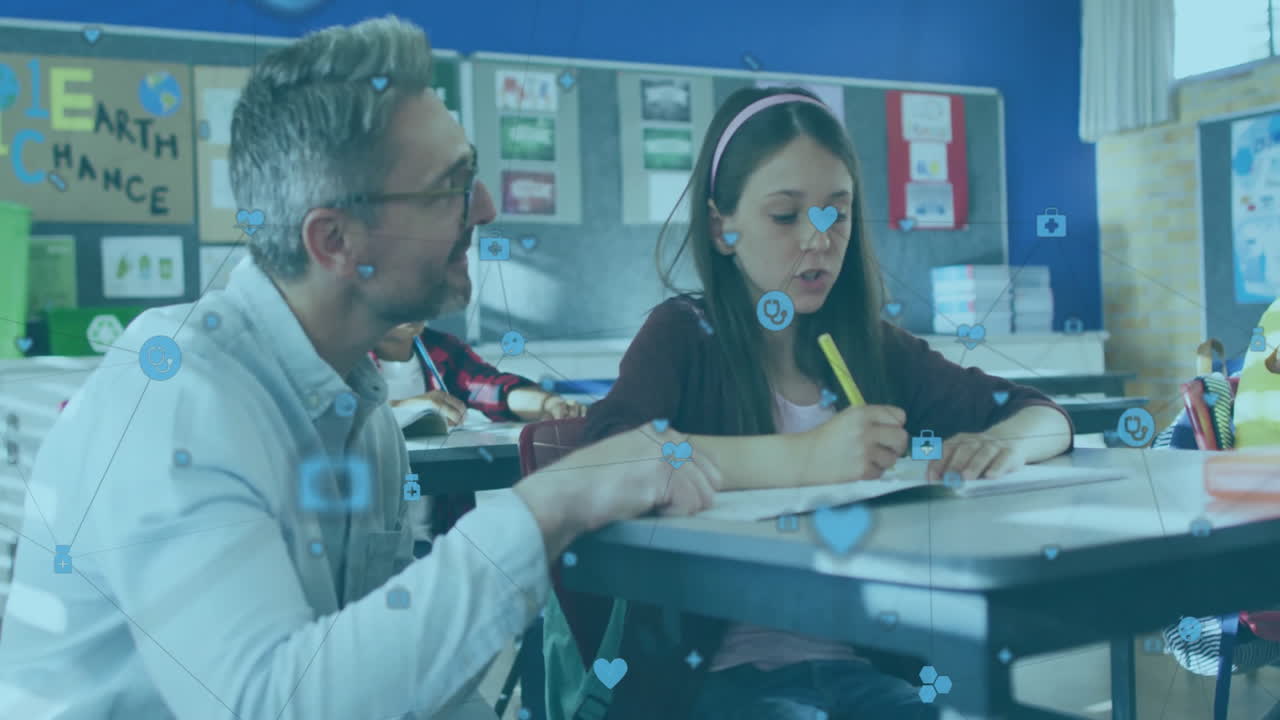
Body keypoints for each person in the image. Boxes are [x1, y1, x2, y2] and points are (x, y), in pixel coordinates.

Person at [0, 16, 719, 720]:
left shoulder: (361, 411)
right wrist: (553, 503)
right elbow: (269, 704)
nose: (489, 207)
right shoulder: (177, 396)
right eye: (451, 186)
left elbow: (395, 685)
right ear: (334, 239)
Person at [545, 87, 1075, 720]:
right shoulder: (683, 334)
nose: (819, 238)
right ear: (722, 228)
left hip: (862, 674)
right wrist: (807, 458)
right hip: (709, 686)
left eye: (837, 212)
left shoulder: (872, 348)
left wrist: (1001, 443)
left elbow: (1044, 413)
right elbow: (611, 455)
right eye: (785, 216)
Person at [371, 266, 586, 427]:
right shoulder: (344, 357)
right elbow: (343, 416)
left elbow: (493, 389)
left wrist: (548, 405)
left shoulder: (443, 349)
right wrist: (410, 408)